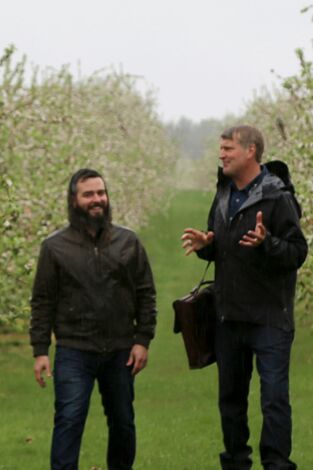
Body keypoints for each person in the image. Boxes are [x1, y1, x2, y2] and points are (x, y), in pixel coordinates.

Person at [181, 125, 308, 470]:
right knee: (231, 401)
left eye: (228, 149)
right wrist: (207, 246)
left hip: (269, 317)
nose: (221, 154)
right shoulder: (223, 193)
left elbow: (298, 252)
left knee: (274, 400)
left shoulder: (277, 196)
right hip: (229, 316)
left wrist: (268, 243)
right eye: (220, 149)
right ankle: (236, 463)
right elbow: (223, 247)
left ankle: (277, 464)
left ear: (250, 151)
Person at [30, 168, 157, 470]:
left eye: (101, 193)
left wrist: (143, 340)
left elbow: (146, 293)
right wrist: (39, 350)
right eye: (89, 194)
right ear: (74, 200)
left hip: (120, 350)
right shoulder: (55, 247)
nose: (97, 199)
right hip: (74, 350)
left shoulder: (128, 242)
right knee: (69, 421)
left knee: (123, 424)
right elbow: (42, 301)